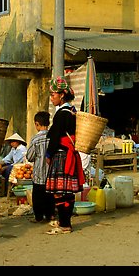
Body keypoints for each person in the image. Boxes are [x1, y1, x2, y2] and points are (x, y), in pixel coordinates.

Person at [45, 76, 85, 235]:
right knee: (67, 191)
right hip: (69, 154)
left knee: (60, 191)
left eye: (53, 95)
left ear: (61, 95)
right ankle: (65, 222)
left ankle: (64, 224)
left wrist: (49, 153)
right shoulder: (72, 111)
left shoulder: (62, 114)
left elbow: (55, 137)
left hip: (61, 155)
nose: (51, 98)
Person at [25, 111, 55, 223]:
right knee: (50, 194)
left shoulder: (35, 139)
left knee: (37, 195)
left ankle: (38, 217)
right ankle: (50, 214)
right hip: (51, 171)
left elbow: (30, 156)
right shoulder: (52, 137)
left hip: (39, 172)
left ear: (37, 124)